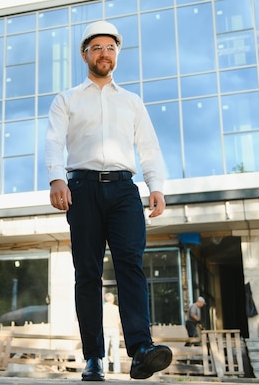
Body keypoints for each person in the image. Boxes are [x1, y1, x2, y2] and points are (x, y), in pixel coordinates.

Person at [45, 20, 172, 381]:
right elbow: (54, 141)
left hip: (123, 190)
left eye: (111, 48)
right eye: (97, 48)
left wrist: (156, 186)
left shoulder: (131, 102)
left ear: (117, 54)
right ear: (85, 54)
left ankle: (141, 350)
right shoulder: (67, 99)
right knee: (88, 274)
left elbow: (149, 147)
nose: (105, 54)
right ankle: (93, 358)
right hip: (81, 190)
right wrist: (57, 178)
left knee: (130, 265)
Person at [102, 292, 122, 374]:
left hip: (105, 329)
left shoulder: (102, 308)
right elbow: (119, 321)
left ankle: (105, 369)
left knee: (105, 350)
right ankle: (117, 369)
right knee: (116, 350)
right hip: (114, 329)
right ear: (112, 299)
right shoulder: (116, 308)